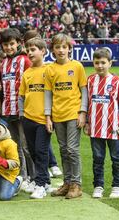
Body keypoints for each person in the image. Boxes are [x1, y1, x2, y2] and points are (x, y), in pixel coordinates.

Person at [44, 33, 87, 199]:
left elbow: (84, 90)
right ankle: (67, 183)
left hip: (73, 113)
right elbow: (48, 94)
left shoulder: (77, 66)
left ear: (69, 48)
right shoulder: (50, 69)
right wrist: (48, 116)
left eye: (64, 47)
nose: (61, 50)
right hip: (57, 115)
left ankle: (76, 185)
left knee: (72, 149)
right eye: (57, 47)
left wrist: (83, 112)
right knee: (63, 150)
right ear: (52, 50)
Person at [84, 48, 119, 198]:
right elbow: (87, 103)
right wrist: (87, 122)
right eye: (97, 63)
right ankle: (98, 186)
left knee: (116, 159)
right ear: (93, 63)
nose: (100, 66)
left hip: (113, 128)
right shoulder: (90, 80)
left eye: (103, 62)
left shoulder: (117, 82)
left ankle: (117, 186)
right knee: (98, 159)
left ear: (110, 63)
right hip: (96, 129)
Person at [19, 37, 52, 199]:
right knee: (32, 151)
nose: (30, 53)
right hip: (28, 119)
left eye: (33, 50)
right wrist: (22, 115)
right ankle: (45, 181)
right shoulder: (27, 73)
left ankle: (40, 184)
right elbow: (22, 96)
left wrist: (50, 116)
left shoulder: (49, 70)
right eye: (28, 50)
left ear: (43, 51)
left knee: (41, 151)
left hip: (44, 119)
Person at [0, 28, 33, 183]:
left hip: (23, 110)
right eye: (5, 45)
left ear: (19, 43)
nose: (9, 47)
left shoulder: (25, 61)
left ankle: (35, 177)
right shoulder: (4, 63)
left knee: (26, 146)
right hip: (8, 109)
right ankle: (23, 176)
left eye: (12, 44)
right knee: (16, 146)